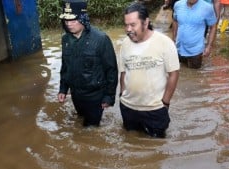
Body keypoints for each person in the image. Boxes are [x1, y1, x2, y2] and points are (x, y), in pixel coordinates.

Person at [119, 2, 180, 138]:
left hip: (155, 109)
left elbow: (174, 74)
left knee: (156, 150)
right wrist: (121, 95)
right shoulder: (125, 44)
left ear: (146, 23)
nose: (128, 29)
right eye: (126, 25)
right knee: (129, 143)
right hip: (128, 107)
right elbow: (123, 72)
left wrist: (165, 102)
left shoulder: (165, 43)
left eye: (133, 25)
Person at [57, 0, 118, 127]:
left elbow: (111, 70)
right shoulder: (66, 40)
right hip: (76, 95)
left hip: (95, 97)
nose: (69, 24)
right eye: (66, 20)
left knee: (89, 132)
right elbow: (65, 66)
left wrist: (109, 97)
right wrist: (63, 89)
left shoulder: (101, 39)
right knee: (79, 120)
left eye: (73, 20)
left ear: (83, 18)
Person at [172, 0, 218, 69]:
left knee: (194, 73)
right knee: (180, 71)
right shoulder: (178, 5)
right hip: (179, 47)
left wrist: (209, 46)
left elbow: (213, 26)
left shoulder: (207, 8)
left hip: (195, 51)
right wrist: (174, 38)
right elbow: (175, 20)